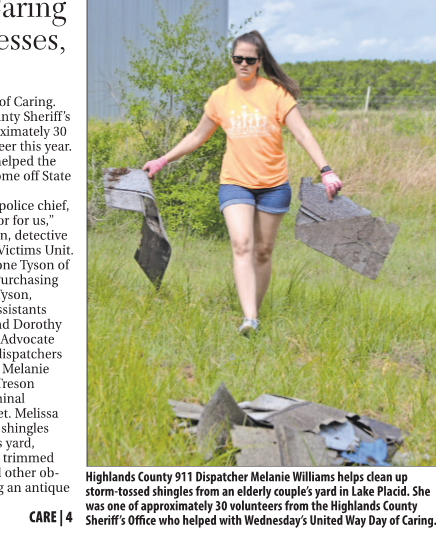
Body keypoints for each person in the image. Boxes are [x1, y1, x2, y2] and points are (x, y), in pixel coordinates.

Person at [143, 31, 342, 334]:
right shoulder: (221, 97)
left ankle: (255, 315)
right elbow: (198, 136)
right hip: (235, 182)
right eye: (239, 59)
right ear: (232, 60)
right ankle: (249, 318)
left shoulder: (275, 94)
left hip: (274, 185)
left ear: (260, 61)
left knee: (262, 251)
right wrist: (163, 159)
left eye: (250, 59)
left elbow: (302, 134)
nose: (244, 64)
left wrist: (325, 170)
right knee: (241, 244)